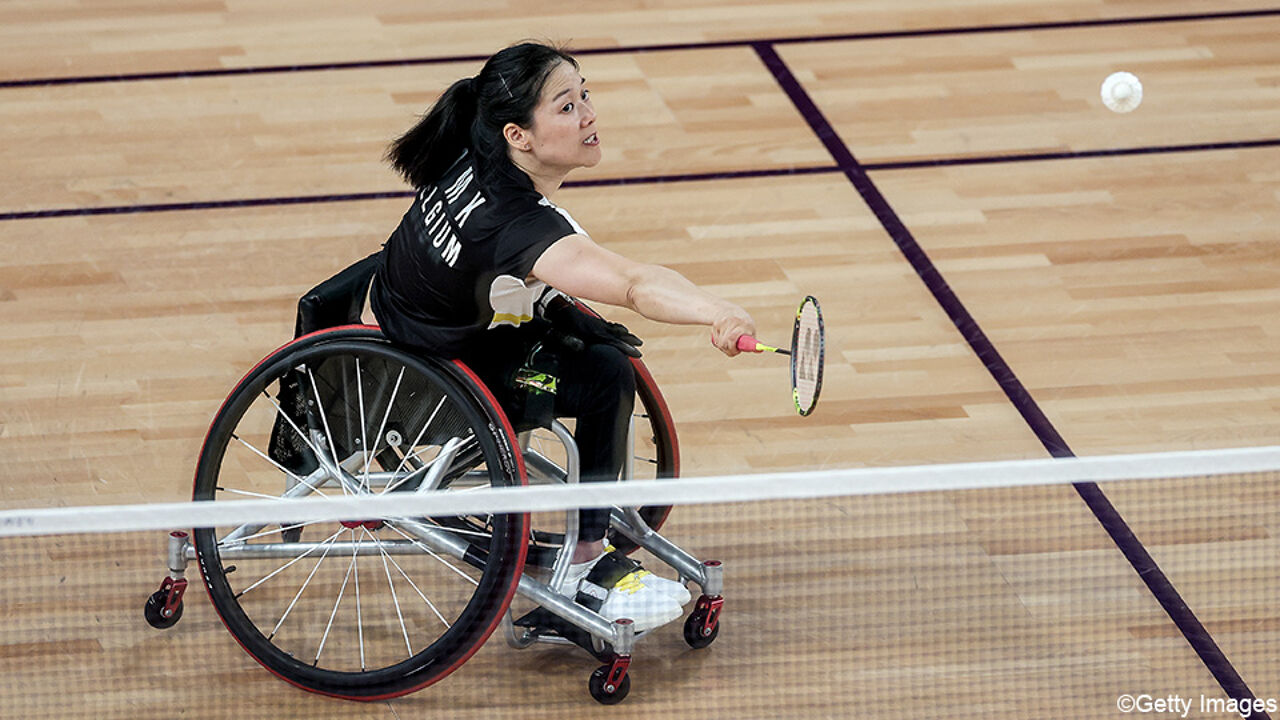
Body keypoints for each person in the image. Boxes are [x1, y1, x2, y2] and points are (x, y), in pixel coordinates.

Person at [369, 42, 756, 631]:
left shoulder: (477, 145)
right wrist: (717, 312)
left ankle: (589, 534)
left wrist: (546, 302)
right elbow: (632, 284)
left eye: (585, 96)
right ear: (519, 135)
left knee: (587, 343)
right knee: (605, 374)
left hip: (409, 314)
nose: (589, 115)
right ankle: (583, 562)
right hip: (442, 370)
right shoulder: (521, 224)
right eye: (567, 107)